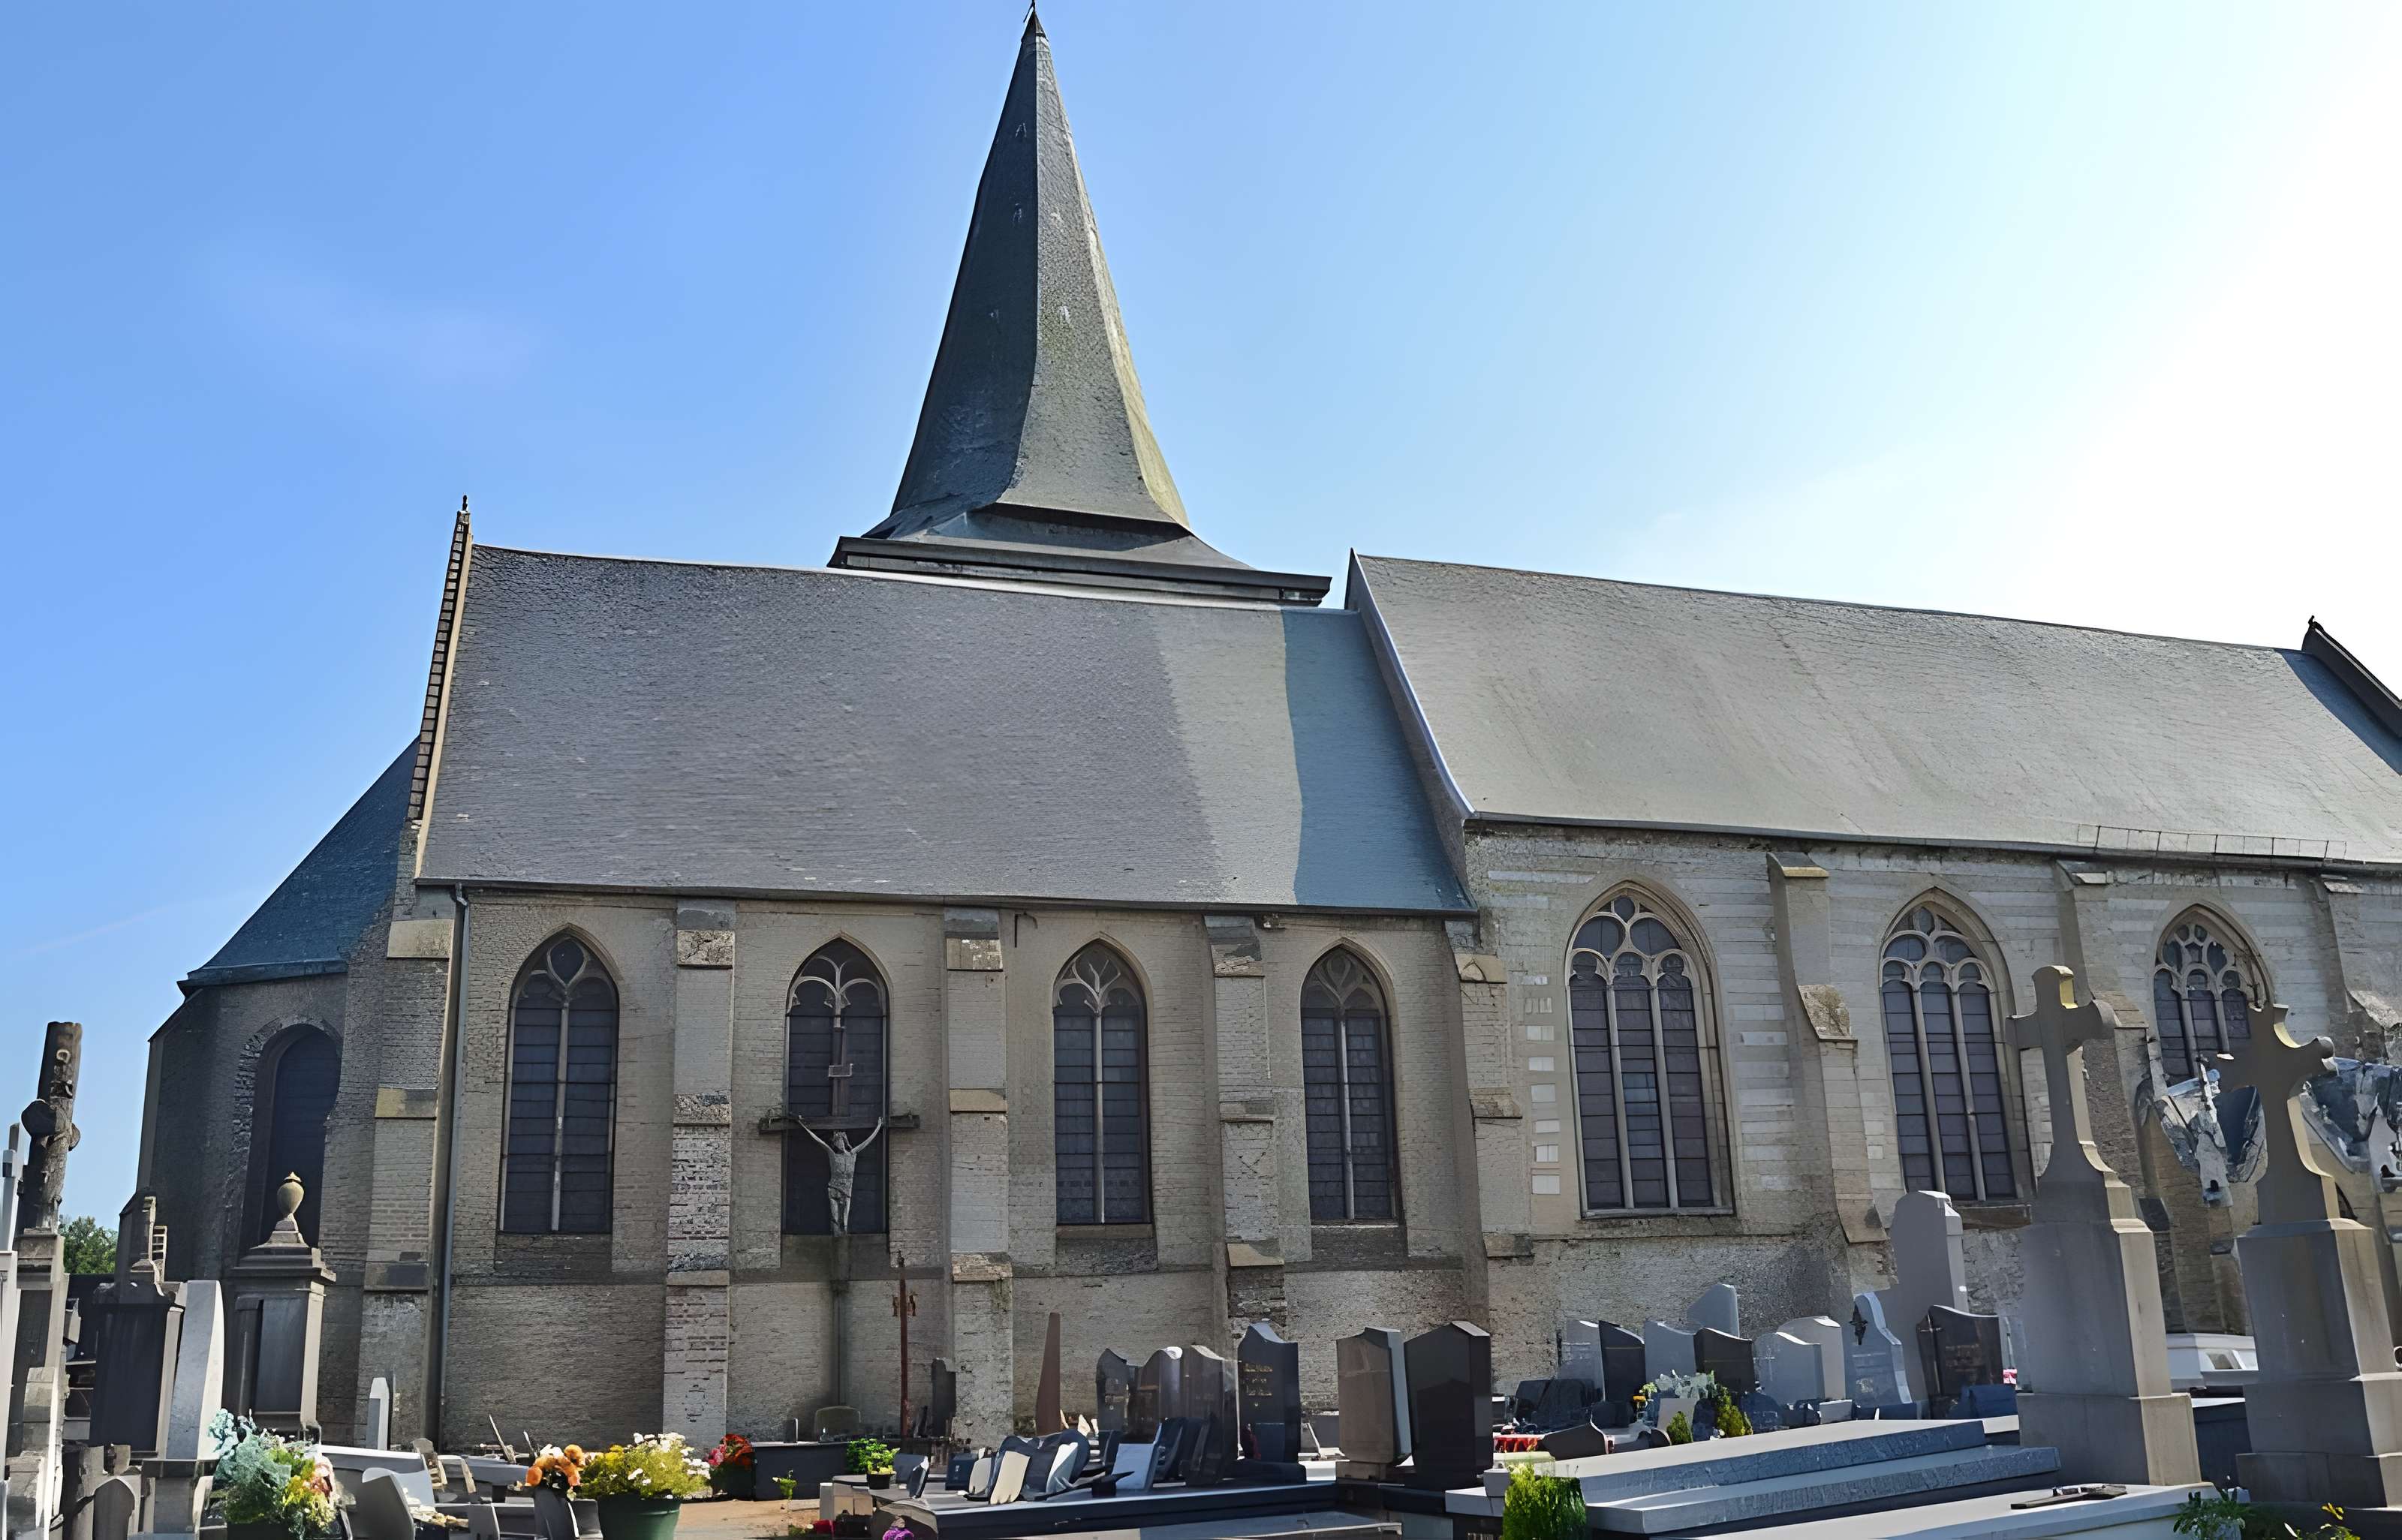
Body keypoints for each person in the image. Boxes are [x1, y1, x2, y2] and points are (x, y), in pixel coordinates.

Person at [796, 1117, 886, 1235]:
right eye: (838, 1141)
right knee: (835, 1218)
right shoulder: (832, 1154)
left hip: (847, 1189)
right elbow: (818, 1140)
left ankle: (843, 1235)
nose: (840, 1143)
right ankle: (836, 1235)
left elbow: (867, 1141)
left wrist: (878, 1126)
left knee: (845, 1221)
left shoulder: (852, 1154)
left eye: (841, 1140)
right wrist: (803, 1125)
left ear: (845, 1141)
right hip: (834, 1188)